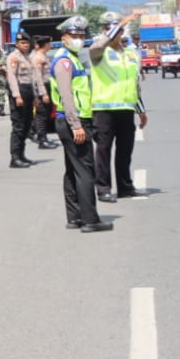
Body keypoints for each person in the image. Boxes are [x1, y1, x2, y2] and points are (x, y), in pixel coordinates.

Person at [49, 16, 112, 232]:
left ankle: (75, 216)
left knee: (73, 170)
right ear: (64, 37)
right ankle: (90, 220)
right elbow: (67, 96)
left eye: (82, 36)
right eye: (74, 36)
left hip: (72, 120)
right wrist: (76, 125)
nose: (79, 39)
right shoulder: (64, 61)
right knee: (86, 172)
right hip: (73, 122)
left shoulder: (73, 58)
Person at [89, 13, 147, 201]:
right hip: (104, 110)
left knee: (125, 151)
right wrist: (120, 23)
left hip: (126, 110)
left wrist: (140, 109)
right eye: (108, 29)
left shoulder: (131, 54)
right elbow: (98, 45)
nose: (113, 33)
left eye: (116, 29)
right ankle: (104, 188)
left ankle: (125, 187)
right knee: (104, 151)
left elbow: (134, 83)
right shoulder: (98, 52)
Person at [4, 32, 39, 169]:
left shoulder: (28, 58)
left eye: (27, 43)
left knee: (26, 125)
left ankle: (22, 155)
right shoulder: (13, 57)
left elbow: (32, 79)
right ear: (17, 44)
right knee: (18, 126)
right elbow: (12, 77)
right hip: (19, 93)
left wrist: (35, 96)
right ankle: (15, 158)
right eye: (22, 43)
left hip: (28, 92)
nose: (25, 45)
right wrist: (17, 96)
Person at [32, 36, 59, 148]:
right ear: (46, 44)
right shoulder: (38, 57)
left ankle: (43, 138)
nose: (50, 45)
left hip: (48, 87)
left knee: (46, 114)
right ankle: (42, 140)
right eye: (49, 43)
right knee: (42, 115)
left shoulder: (44, 56)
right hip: (42, 88)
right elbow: (38, 78)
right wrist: (44, 94)